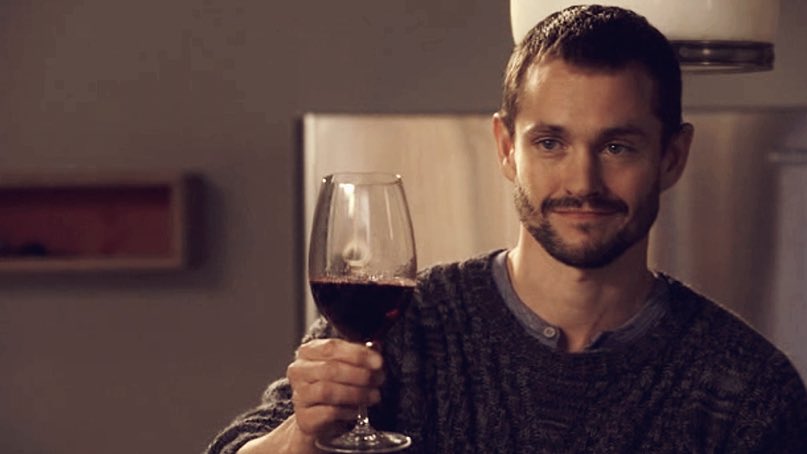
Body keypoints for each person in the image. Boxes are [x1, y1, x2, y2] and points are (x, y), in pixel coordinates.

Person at [207, 5, 807, 453]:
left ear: (672, 157)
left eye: (618, 146)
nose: (582, 181)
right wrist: (301, 436)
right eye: (550, 143)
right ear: (505, 148)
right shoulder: (405, 331)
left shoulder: (749, 390)